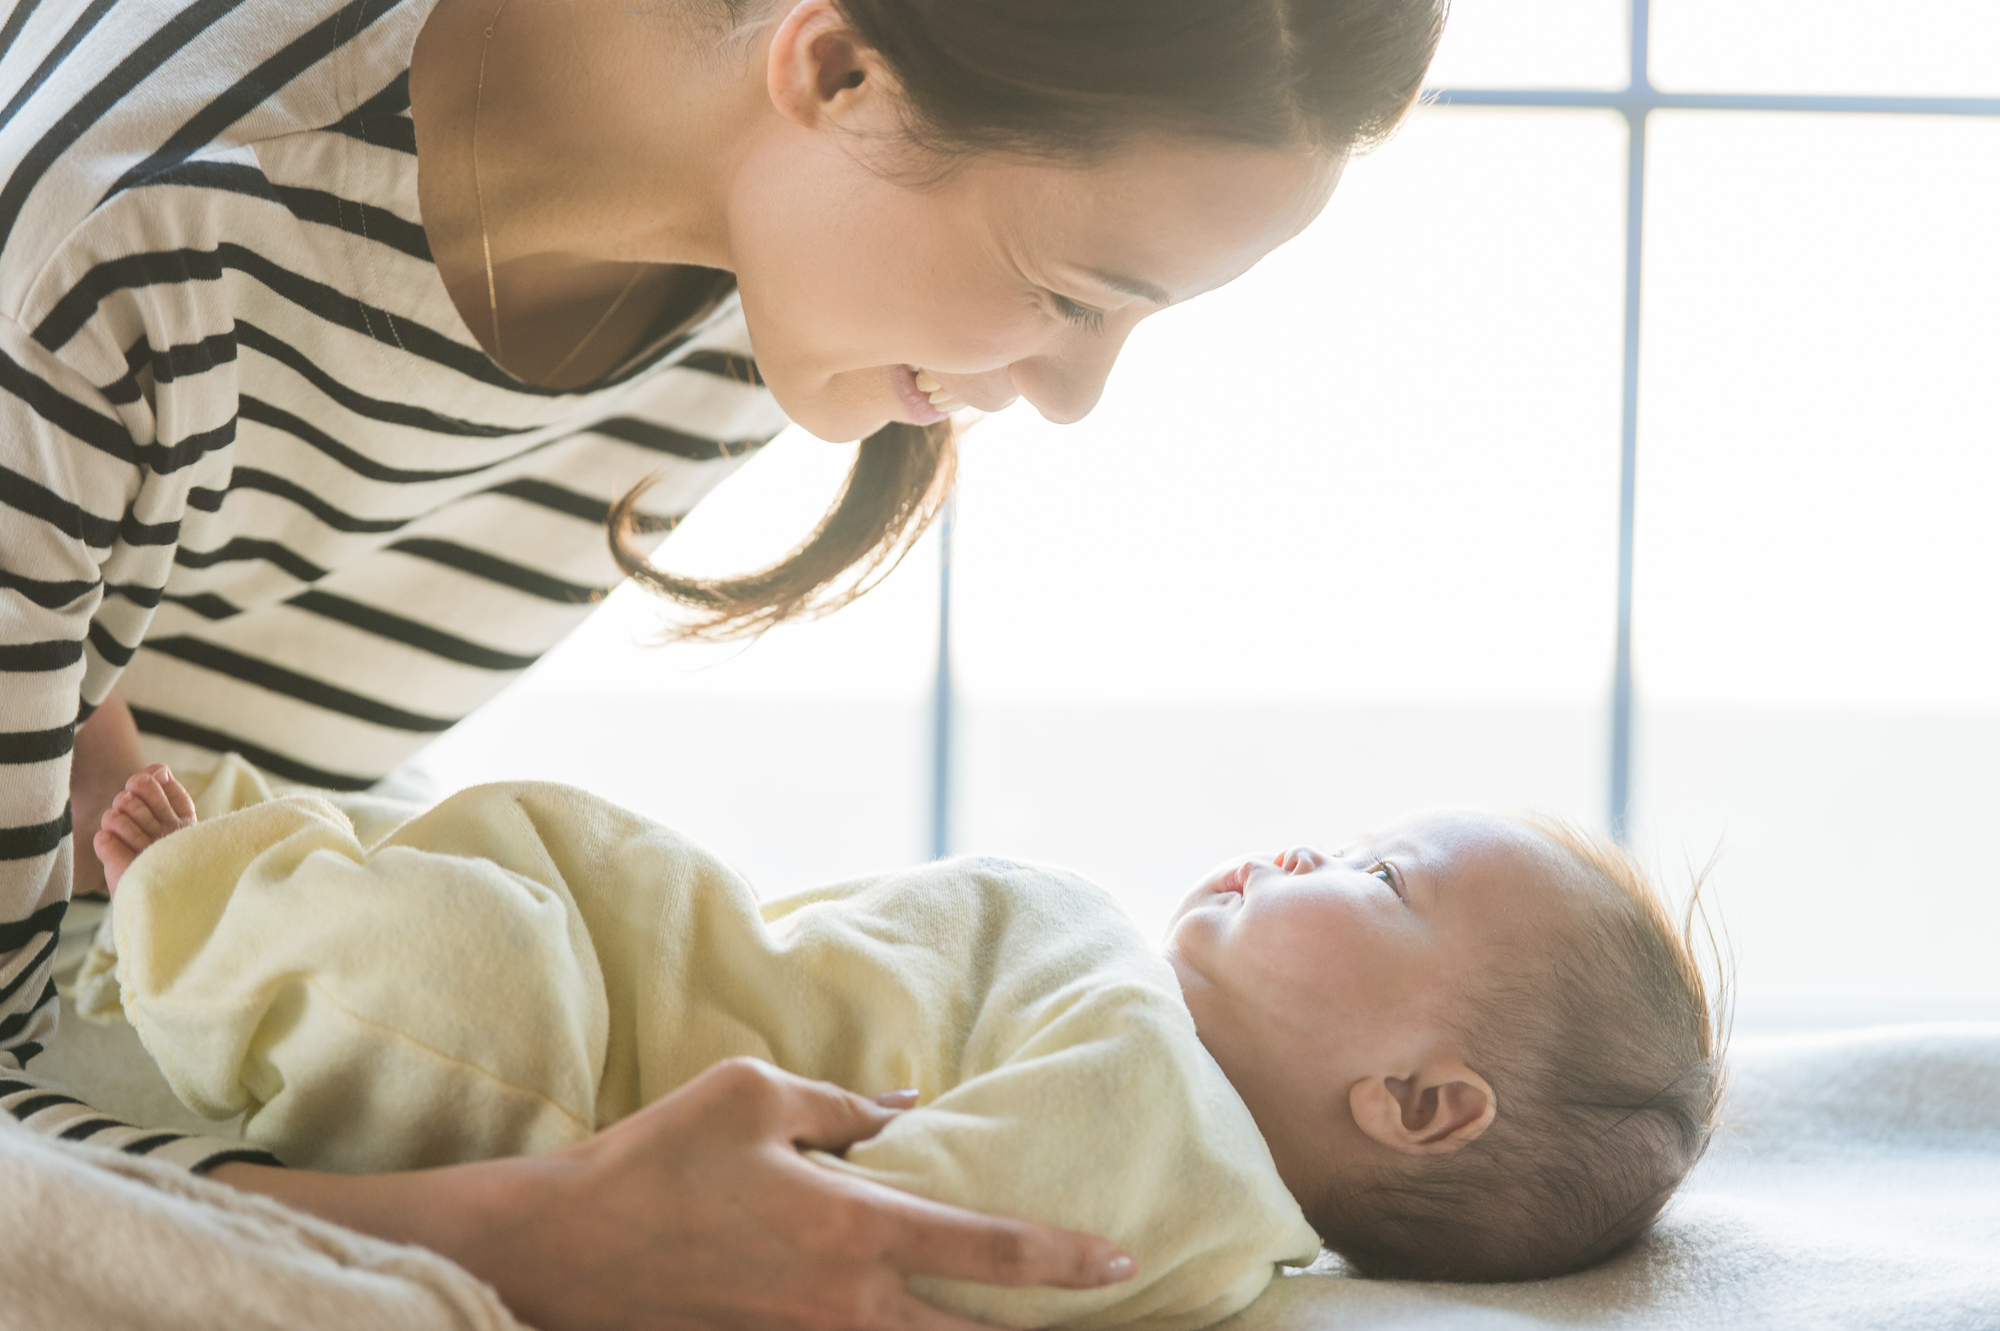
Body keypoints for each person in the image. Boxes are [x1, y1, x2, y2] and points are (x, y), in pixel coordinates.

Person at [0, 0, 1447, 1324]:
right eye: (1074, 291)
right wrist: (529, 1234)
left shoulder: (751, 257)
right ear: (833, 69)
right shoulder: (122, 244)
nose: (1072, 395)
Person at [84, 754, 1726, 1321]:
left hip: (580, 1076)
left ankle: (210, 920)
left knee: (440, 987)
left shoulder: (1174, 1161)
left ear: (1421, 1102)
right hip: (640, 950)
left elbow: (876, 1247)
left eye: (1379, 878)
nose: (1304, 850)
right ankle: (248, 905)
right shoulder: (1150, 1027)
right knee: (469, 902)